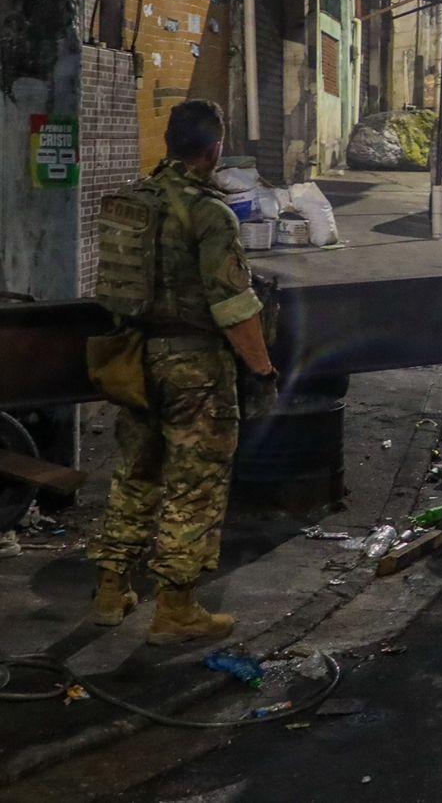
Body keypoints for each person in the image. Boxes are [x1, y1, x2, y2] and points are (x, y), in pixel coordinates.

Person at [86, 100, 276, 643]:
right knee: (194, 487)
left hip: (131, 359)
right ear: (214, 150)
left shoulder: (132, 200)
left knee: (135, 472)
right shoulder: (210, 213)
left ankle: (111, 590)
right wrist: (262, 370)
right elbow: (233, 307)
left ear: (168, 142)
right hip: (194, 367)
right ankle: (176, 610)